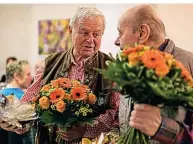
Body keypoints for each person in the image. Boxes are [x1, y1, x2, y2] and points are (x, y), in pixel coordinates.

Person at [115, 5, 193, 144]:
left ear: (142, 33)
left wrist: (160, 127)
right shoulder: (130, 69)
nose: (117, 41)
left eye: (120, 33)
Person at [21, 7, 120, 144]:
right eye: (84, 33)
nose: (90, 40)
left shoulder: (111, 68)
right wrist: (16, 121)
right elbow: (29, 102)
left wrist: (85, 129)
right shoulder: (50, 63)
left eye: (96, 34)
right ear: (70, 31)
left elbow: (116, 113)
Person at [0, 60, 34, 144]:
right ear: (17, 76)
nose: (31, 77)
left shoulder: (1, 93)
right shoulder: (23, 98)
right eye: (28, 74)